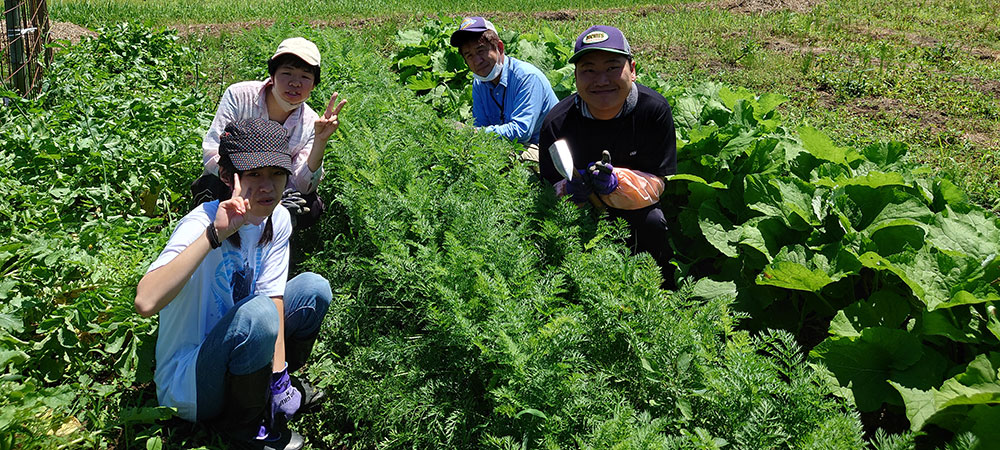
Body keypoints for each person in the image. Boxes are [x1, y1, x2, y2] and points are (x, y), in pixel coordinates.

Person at [137, 118, 332, 450]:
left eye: (276, 173)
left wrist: (279, 377)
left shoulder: (278, 219)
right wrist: (215, 235)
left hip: (240, 342)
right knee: (259, 314)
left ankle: (270, 391)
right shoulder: (201, 222)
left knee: (314, 289)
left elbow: (274, 297)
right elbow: (145, 302)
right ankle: (244, 427)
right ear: (228, 177)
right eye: (253, 174)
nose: (268, 186)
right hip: (190, 383)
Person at [538, 25, 678, 287]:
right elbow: (547, 188)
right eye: (589, 70)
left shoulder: (653, 111)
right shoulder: (557, 123)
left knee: (653, 223)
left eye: (612, 67)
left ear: (632, 70)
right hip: (579, 211)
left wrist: (617, 183)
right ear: (576, 77)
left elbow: (658, 182)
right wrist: (567, 190)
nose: (601, 80)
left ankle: (662, 291)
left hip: (634, 209)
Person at [192, 37, 347, 229]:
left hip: (274, 193)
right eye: (287, 73)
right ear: (272, 76)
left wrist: (320, 142)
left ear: (314, 84)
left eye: (305, 77)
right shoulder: (239, 96)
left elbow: (303, 185)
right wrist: (247, 189)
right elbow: (211, 152)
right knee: (210, 187)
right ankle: (215, 235)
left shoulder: (311, 122)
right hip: (233, 184)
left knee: (311, 205)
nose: (295, 83)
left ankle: (270, 239)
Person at [449, 16, 559, 162]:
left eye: (481, 51)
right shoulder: (479, 84)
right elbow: (480, 126)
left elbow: (521, 131)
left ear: (499, 48)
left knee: (507, 159)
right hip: (513, 145)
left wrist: (473, 132)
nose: (477, 61)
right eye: (469, 55)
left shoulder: (527, 77)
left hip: (550, 148)